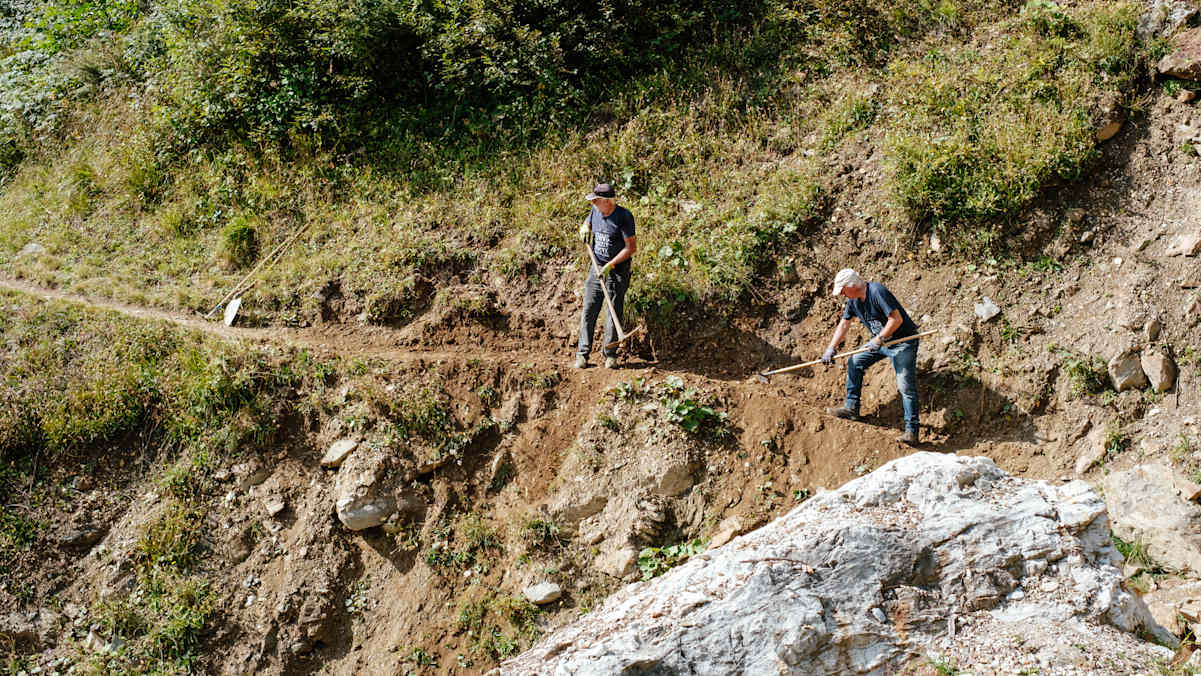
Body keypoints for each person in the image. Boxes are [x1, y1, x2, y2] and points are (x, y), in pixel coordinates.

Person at [821, 268, 921, 446]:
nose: (843, 294)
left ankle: (912, 431)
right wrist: (831, 348)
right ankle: (851, 407)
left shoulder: (877, 292)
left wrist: (879, 338)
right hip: (879, 343)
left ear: (852, 285)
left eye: (843, 290)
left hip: (902, 343)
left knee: (905, 385)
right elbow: (844, 324)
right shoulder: (853, 301)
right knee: (855, 362)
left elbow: (896, 320)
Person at [574, 183, 637, 369]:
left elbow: (631, 248)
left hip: (617, 270)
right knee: (589, 309)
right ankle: (582, 354)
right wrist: (585, 226)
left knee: (613, 311)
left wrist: (611, 265)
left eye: (596, 200)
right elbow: (589, 219)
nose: (592, 202)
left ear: (606, 201)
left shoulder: (624, 217)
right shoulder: (596, 211)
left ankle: (610, 355)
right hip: (597, 265)